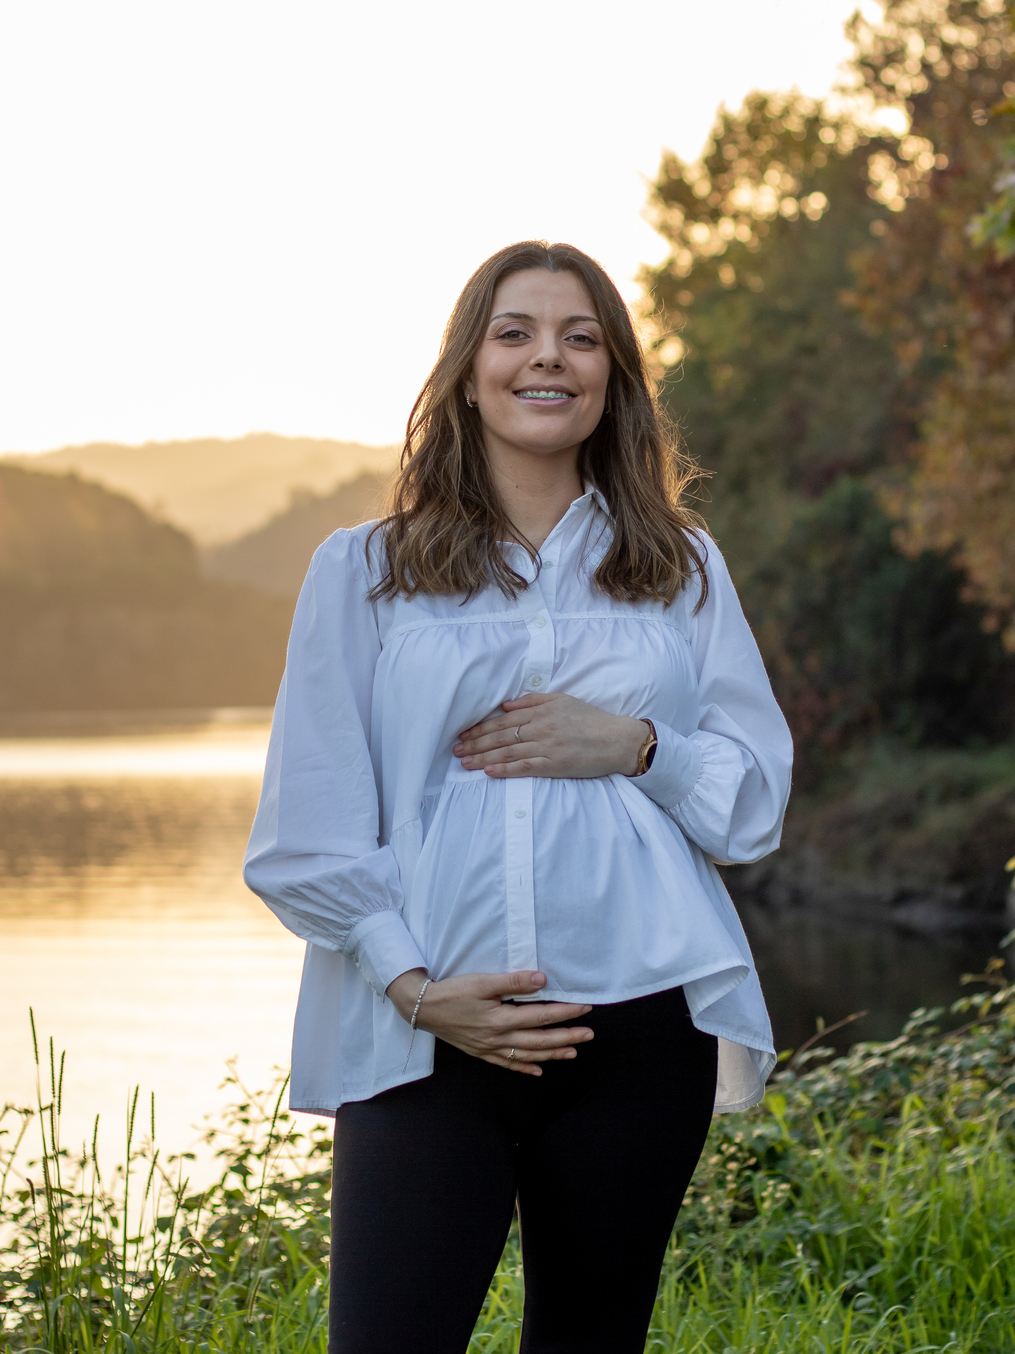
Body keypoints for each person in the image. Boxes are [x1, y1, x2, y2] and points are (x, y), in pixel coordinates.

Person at [244, 240, 792, 1354]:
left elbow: (752, 807)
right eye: (517, 333)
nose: (550, 358)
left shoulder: (683, 568)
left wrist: (637, 745)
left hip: (640, 1034)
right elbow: (310, 827)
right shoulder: (364, 572)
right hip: (430, 1035)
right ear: (467, 371)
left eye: (581, 337)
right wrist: (412, 986)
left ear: (615, 378)